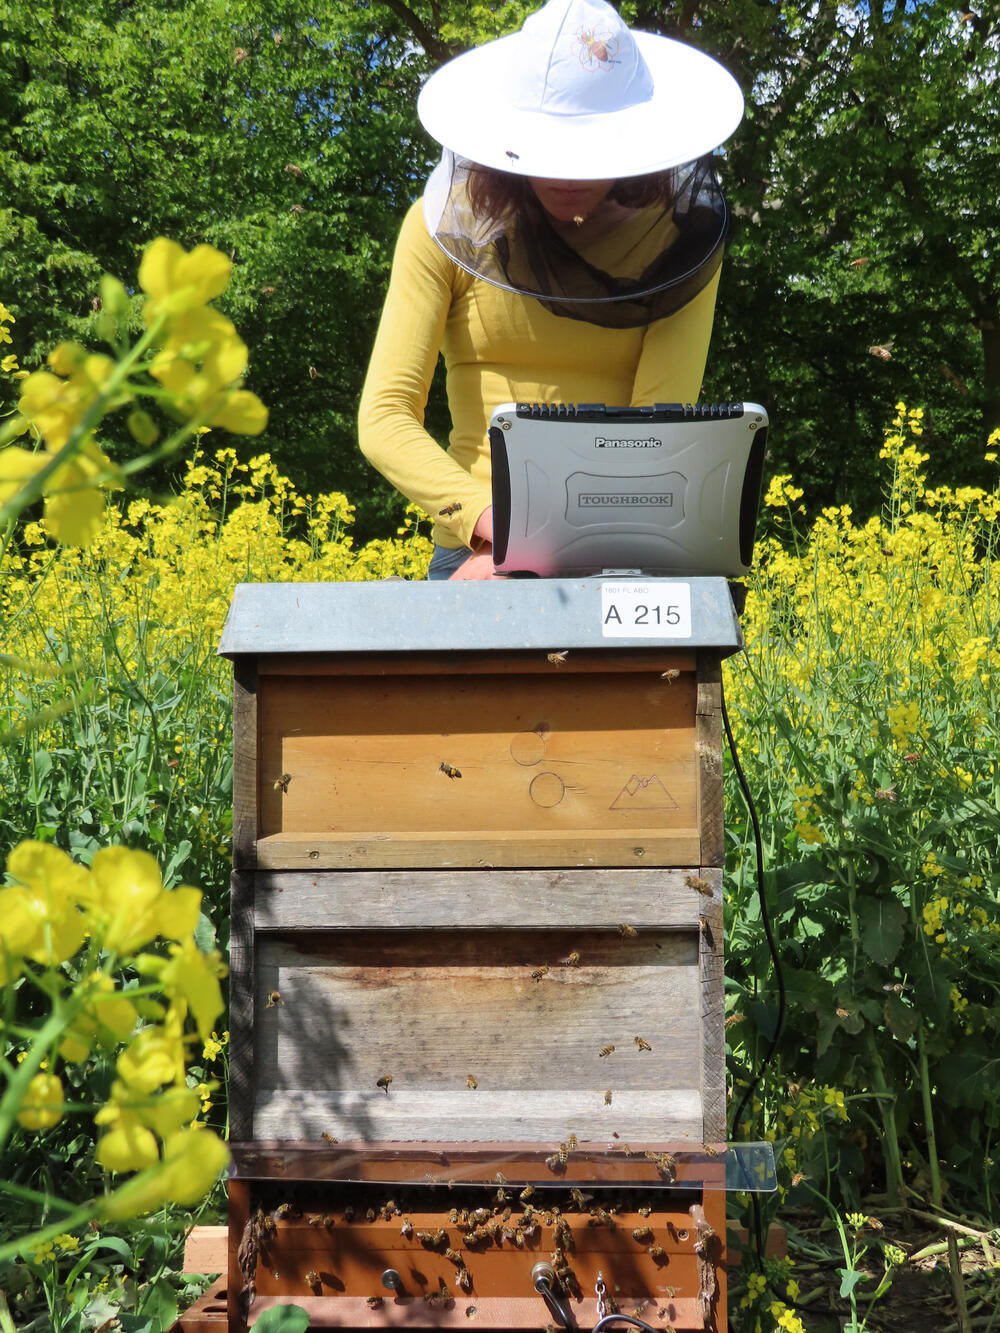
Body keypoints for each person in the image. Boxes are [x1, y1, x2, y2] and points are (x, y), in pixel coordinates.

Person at [358, 0, 743, 580]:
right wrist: (488, 527)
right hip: (475, 549)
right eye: (547, 148)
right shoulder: (441, 227)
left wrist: (550, 550)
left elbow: (657, 432)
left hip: (623, 544)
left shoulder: (679, 246)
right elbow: (384, 418)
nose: (567, 175)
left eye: (588, 152)